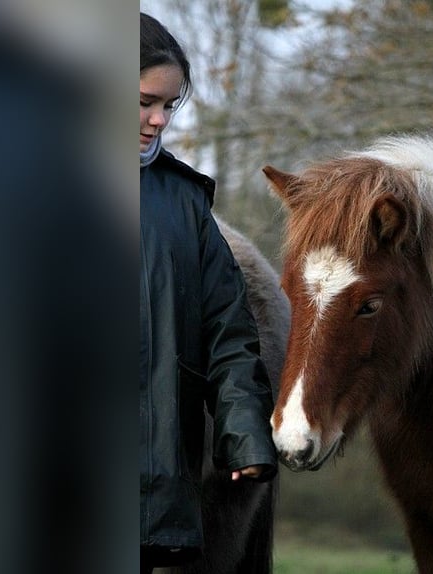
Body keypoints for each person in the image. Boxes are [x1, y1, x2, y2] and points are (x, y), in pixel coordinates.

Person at [139, 12, 277, 573]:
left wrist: (243, 435)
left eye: (168, 106)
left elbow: (229, 331)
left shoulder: (184, 203)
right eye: (145, 100)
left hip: (152, 484)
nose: (157, 120)